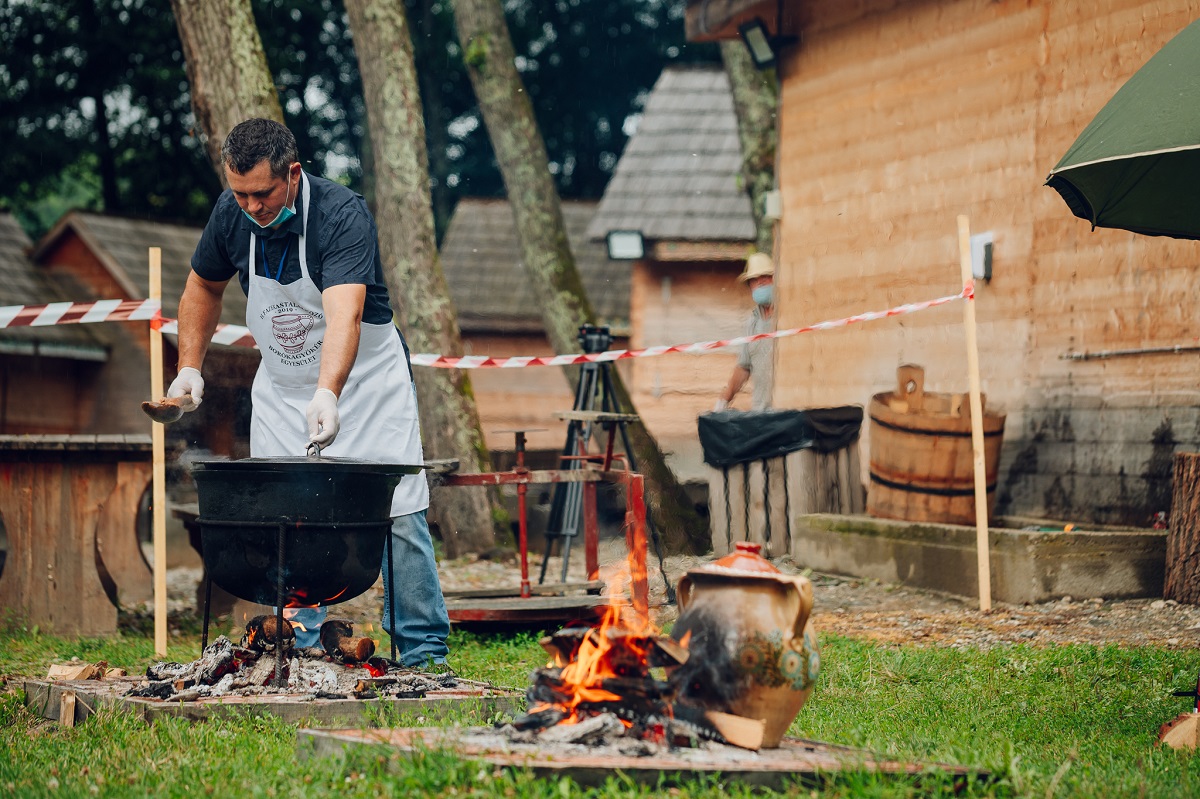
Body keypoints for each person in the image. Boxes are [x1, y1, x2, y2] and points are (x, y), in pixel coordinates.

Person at [168, 118, 449, 668]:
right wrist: (189, 367)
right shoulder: (231, 215)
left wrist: (328, 392)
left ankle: (422, 650)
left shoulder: (340, 215)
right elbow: (202, 285)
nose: (251, 206)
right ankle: (298, 645)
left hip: (365, 382)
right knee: (285, 515)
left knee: (398, 509)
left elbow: (345, 315)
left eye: (262, 193)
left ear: (293, 174)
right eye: (240, 193)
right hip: (281, 387)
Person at [714, 252, 777, 412]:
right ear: (749, 286)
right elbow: (743, 367)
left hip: (789, 412)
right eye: (754, 279)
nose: (760, 282)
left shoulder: (788, 317)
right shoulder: (752, 323)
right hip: (762, 412)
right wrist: (724, 399)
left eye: (765, 276)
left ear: (776, 278)